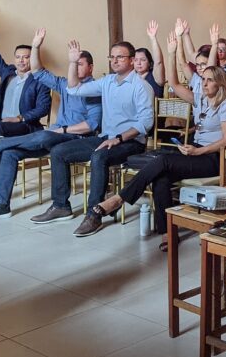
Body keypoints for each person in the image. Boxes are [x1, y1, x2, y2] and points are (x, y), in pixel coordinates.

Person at [85, 34, 226, 235]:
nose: (204, 83)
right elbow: (173, 83)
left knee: (163, 161)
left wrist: (197, 152)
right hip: (195, 152)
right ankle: (166, 233)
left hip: (213, 158)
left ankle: (117, 199)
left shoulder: (225, 104)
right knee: (161, 177)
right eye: (203, 79)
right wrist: (172, 53)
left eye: (209, 80)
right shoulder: (199, 98)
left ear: (220, 84)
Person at [0, 27, 103, 222]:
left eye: (79, 64)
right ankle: (0, 205)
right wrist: (35, 46)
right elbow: (38, 72)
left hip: (76, 138)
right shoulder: (64, 84)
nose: (73, 68)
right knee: (10, 154)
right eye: (72, 63)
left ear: (90, 68)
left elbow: (91, 125)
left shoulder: (94, 90)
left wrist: (63, 129)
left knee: (43, 135)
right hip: (55, 137)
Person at [30, 39, 155, 236]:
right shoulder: (107, 81)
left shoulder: (141, 86)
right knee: (59, 152)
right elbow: (74, 89)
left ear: (131, 60)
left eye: (120, 57)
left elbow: (145, 123)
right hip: (106, 138)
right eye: (112, 57)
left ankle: (94, 214)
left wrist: (119, 139)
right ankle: (60, 205)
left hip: (130, 142)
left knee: (99, 156)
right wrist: (72, 62)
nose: (115, 60)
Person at [0, 8, 52, 176]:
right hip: (1, 127)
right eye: (18, 57)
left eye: (26, 57)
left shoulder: (40, 79)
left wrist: (19, 118)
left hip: (25, 126)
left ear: (32, 58)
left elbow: (43, 108)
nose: (22, 60)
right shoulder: (7, 73)